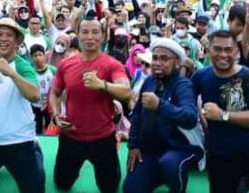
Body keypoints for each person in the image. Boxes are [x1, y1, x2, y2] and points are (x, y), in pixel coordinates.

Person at [191, 30, 249, 193]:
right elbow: (185, 99)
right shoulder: (201, 76)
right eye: (217, 49)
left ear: (236, 52)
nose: (223, 54)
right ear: (208, 49)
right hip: (220, 153)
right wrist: (199, 110)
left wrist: (222, 115)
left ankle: (248, 177)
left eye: (228, 49)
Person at [49, 18, 132, 193]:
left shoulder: (112, 64)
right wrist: (56, 116)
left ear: (102, 36)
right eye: (85, 32)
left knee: (109, 188)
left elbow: (126, 92)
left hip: (103, 139)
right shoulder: (66, 64)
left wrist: (102, 85)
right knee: (61, 184)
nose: (90, 37)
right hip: (71, 136)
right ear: (77, 35)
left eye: (95, 32)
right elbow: (55, 93)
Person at [123, 38, 204, 193]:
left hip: (180, 148)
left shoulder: (183, 85)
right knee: (131, 189)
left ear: (178, 63)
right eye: (155, 58)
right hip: (151, 152)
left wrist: (159, 105)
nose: (157, 62)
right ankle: (159, 175)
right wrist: (133, 146)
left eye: (164, 58)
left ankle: (177, 186)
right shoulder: (149, 82)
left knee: (169, 164)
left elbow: (190, 118)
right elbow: (137, 116)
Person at [0, 18, 44, 193]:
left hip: (19, 142)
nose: (3, 39)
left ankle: (36, 151)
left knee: (34, 190)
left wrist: (10, 73)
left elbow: (35, 95)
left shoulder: (23, 66)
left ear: (17, 42)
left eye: (9, 35)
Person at [31, 43, 56, 134]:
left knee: (50, 127)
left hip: (49, 105)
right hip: (35, 105)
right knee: (36, 127)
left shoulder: (52, 70)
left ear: (45, 56)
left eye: (40, 55)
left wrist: (48, 102)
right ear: (31, 58)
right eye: (35, 56)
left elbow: (56, 88)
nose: (38, 58)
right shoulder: (30, 72)